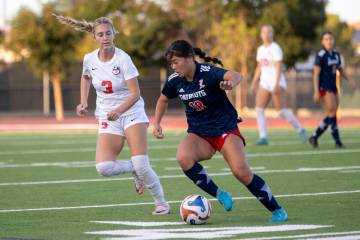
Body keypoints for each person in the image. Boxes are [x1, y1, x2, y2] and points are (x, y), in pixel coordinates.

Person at [153, 39, 287, 222]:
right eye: (171, 64)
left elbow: (236, 75)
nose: (173, 67)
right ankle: (219, 193)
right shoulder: (174, 80)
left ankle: (277, 210)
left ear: (189, 57)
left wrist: (230, 84)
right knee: (183, 158)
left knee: (241, 171)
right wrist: (157, 123)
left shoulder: (207, 73)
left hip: (225, 128)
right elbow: (163, 99)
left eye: (176, 62)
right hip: (199, 133)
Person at [54, 14, 169, 215]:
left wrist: (119, 110)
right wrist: (83, 102)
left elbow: (135, 94)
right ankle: (133, 170)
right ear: (94, 37)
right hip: (108, 117)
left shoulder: (123, 59)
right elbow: (85, 77)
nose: (105, 37)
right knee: (104, 167)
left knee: (142, 163)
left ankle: (161, 203)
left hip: (131, 112)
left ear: (114, 34)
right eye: (100, 34)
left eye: (108, 33)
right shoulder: (89, 59)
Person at [250, 25, 307, 145]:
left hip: (277, 82)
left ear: (272, 34)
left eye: (269, 32)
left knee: (281, 111)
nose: (266, 34)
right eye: (264, 32)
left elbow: (278, 67)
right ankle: (263, 137)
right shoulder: (260, 49)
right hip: (264, 83)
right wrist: (254, 82)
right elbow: (259, 67)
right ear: (261, 34)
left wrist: (276, 84)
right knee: (259, 109)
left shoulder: (275, 48)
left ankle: (300, 129)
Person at [309, 31, 356, 148]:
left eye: (330, 39)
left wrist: (350, 80)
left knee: (332, 113)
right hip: (324, 88)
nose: (328, 41)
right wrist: (316, 91)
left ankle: (314, 136)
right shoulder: (321, 55)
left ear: (333, 40)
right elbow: (315, 74)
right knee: (331, 111)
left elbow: (341, 69)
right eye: (326, 39)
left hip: (333, 87)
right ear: (322, 42)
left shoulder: (336, 54)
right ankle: (337, 141)